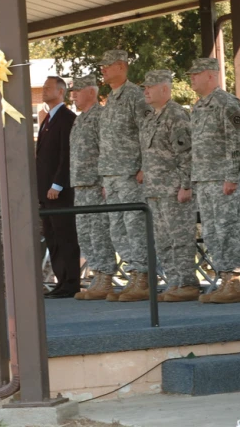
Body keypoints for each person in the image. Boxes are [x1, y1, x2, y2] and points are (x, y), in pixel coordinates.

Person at [188, 57, 240, 304]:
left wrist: (232, 176)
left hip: (223, 180)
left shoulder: (226, 103)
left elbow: (237, 142)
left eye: (196, 73)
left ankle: (233, 282)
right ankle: (223, 279)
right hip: (204, 179)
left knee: (227, 230)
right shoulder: (198, 107)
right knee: (211, 233)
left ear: (211, 75)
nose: (191, 78)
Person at [97, 49, 154, 302]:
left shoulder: (134, 95)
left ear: (121, 66)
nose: (103, 70)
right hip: (111, 175)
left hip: (131, 174)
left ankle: (143, 276)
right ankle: (134, 273)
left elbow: (146, 132)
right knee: (117, 228)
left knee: (134, 226)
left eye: (107, 66)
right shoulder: (111, 98)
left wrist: (145, 166)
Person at [141, 69, 199, 302]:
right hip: (155, 190)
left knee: (180, 238)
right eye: (144, 87)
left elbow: (186, 154)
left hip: (174, 190)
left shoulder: (176, 115)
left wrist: (186, 185)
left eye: (150, 87)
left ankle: (187, 282)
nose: (145, 90)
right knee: (163, 240)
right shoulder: (150, 117)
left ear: (165, 89)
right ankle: (174, 281)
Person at [68, 74, 117, 300]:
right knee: (85, 234)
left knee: (99, 233)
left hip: (96, 184)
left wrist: (106, 181)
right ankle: (97, 275)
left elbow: (108, 150)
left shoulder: (101, 116)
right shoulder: (79, 120)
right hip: (80, 185)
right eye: (72, 92)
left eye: (77, 91)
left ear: (91, 91)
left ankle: (105, 277)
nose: (74, 96)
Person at [35, 76, 81, 299]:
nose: (44, 91)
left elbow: (66, 154)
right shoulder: (47, 119)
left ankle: (71, 282)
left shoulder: (66, 118)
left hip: (59, 192)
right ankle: (61, 280)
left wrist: (57, 184)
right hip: (45, 193)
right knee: (53, 238)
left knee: (65, 237)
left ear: (61, 92)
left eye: (48, 87)